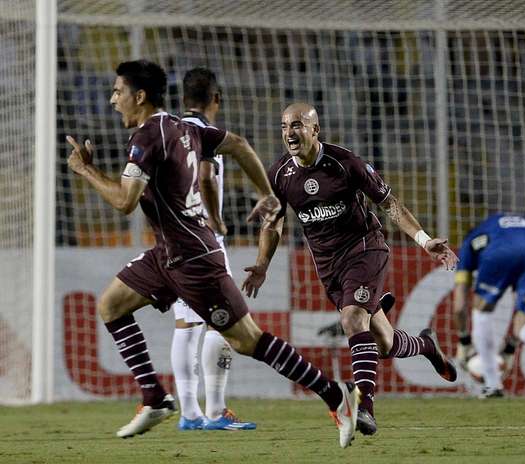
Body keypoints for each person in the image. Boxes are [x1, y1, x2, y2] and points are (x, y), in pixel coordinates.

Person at [67, 61, 360, 448]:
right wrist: (265, 193)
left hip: (192, 258)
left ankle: (337, 395)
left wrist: (85, 171)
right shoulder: (184, 127)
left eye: (118, 92)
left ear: (139, 97)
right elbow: (238, 144)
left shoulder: (147, 138)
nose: (112, 99)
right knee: (110, 306)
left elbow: (124, 201)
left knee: (247, 341)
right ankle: (155, 398)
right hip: (166, 253)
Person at [242, 102, 459, 437]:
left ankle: (364, 408)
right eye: (284, 126)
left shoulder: (346, 163)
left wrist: (424, 239)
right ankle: (426, 345)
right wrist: (261, 265)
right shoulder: (280, 175)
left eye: (297, 125)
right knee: (384, 344)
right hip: (329, 267)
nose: (289, 133)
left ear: (315, 130)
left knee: (352, 319)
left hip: (365, 250)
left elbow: (390, 204)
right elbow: (273, 225)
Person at [170, 67, 255, 431]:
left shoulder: (170, 132)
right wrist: (217, 220)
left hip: (174, 238)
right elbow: (205, 177)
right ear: (215, 100)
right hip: (203, 239)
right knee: (222, 324)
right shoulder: (207, 134)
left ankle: (189, 413)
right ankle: (216, 411)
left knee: (186, 325)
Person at [452, 213, 525, 398]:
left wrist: (464, 341)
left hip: (501, 249)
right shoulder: (499, 224)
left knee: (481, 310)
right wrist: (510, 346)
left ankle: (492, 384)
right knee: (524, 322)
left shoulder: (470, 243)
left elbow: (459, 305)